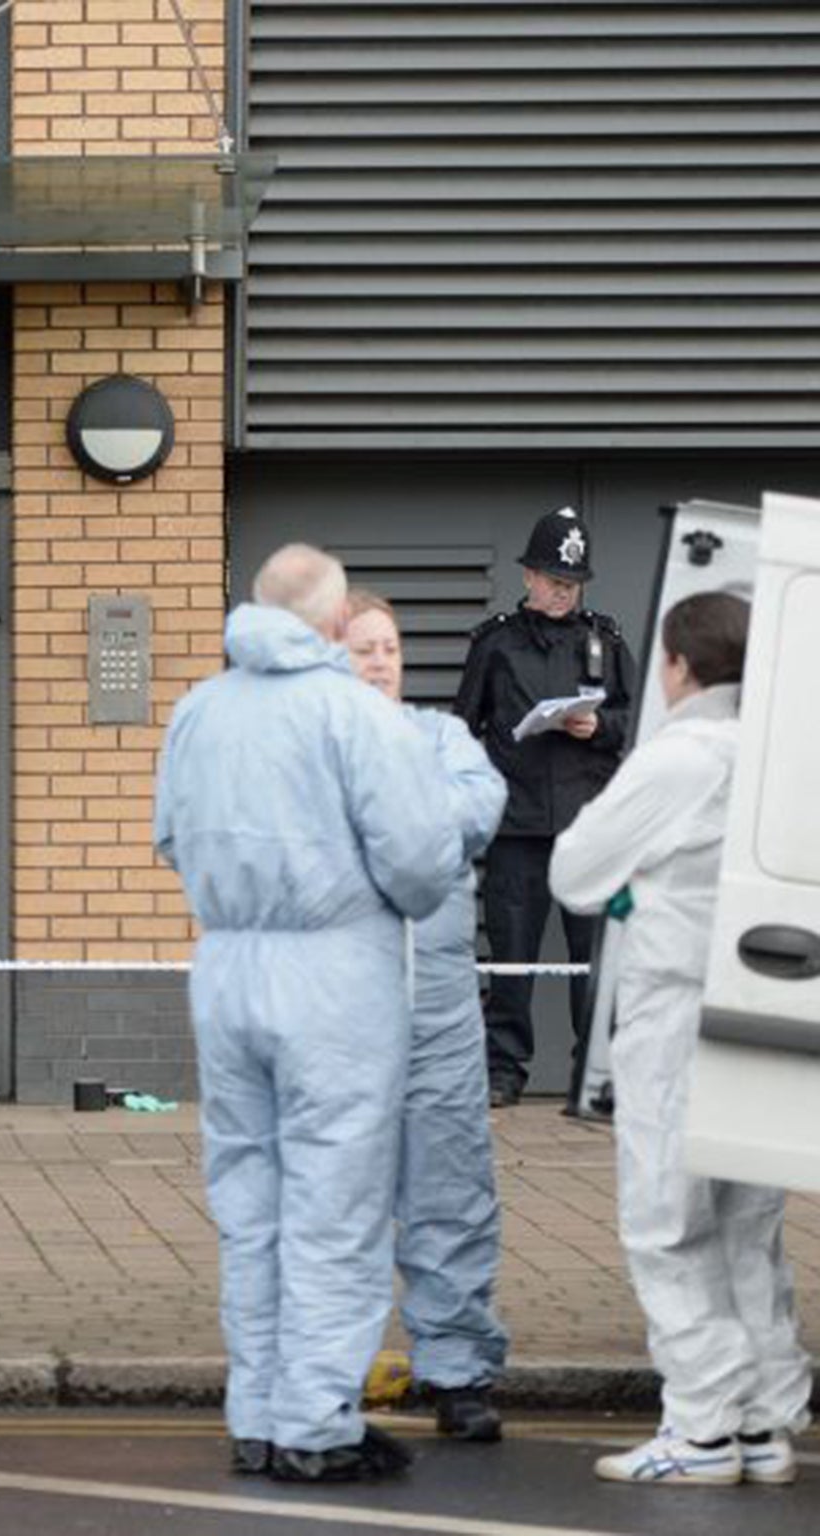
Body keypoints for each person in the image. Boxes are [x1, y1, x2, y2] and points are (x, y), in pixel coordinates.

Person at [155, 545, 464, 1482]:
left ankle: (256, 1409)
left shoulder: (200, 708)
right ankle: (316, 1421)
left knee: (251, 1206)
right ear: (334, 624)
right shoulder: (352, 714)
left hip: (227, 963)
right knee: (337, 1209)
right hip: (335, 974)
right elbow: (419, 863)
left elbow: (170, 837)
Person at [550, 592, 810, 1487]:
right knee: (748, 1229)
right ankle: (767, 1423)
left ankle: (700, 1431)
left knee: (667, 1224)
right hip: (761, 1011)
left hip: (674, 1013)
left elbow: (575, 871)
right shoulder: (785, 757)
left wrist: (632, 888)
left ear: (678, 666)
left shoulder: (678, 756)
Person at [344, 589, 512, 1443]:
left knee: (451, 1191)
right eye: (363, 647)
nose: (381, 662)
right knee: (335, 1202)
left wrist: (376, 829)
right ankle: (328, 1372)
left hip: (440, 1010)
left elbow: (475, 812)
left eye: (391, 648)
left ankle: (458, 1370)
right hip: (337, 1012)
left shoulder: (445, 739)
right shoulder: (306, 750)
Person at [454, 506, 635, 1108]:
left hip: (588, 826)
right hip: (516, 825)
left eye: (572, 582)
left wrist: (598, 727)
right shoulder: (496, 642)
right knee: (513, 957)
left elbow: (635, 722)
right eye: (554, 580)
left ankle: (596, 1078)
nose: (563, 591)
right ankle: (505, 1071)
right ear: (529, 576)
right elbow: (463, 728)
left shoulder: (604, 641)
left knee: (593, 958)